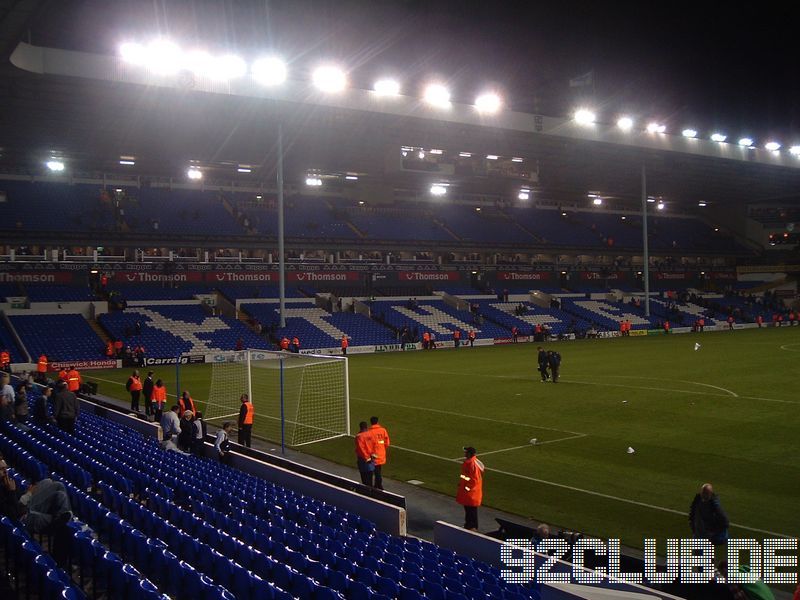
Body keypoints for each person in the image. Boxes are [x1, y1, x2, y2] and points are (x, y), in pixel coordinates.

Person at [18, 476, 73, 565]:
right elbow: (16, 509)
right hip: (26, 516)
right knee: (63, 525)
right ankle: (62, 517)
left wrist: (28, 493)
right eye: (2, 469)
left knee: (55, 484)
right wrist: (28, 494)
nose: (5, 471)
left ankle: (61, 515)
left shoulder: (8, 482)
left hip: (29, 507)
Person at [457, 446, 484, 531]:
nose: (464, 453)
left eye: (466, 452)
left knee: (471, 510)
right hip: (471, 491)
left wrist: (467, 488)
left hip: (471, 492)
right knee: (469, 509)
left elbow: (474, 480)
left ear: (469, 453)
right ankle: (469, 525)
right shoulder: (471, 462)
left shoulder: (471, 464)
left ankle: (471, 527)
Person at [369, 416, 390, 490]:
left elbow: (369, 444)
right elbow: (387, 443)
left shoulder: (369, 432)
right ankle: (377, 484)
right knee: (378, 470)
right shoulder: (383, 430)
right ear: (377, 422)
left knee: (376, 471)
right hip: (382, 454)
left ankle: (379, 486)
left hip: (374, 455)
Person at [354, 421, 378, 487]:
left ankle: (367, 492)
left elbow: (361, 448)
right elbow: (375, 445)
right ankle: (371, 491)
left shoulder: (359, 436)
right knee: (370, 476)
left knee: (365, 478)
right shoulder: (371, 434)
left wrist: (367, 458)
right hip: (371, 457)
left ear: (360, 427)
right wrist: (374, 455)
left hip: (364, 459)